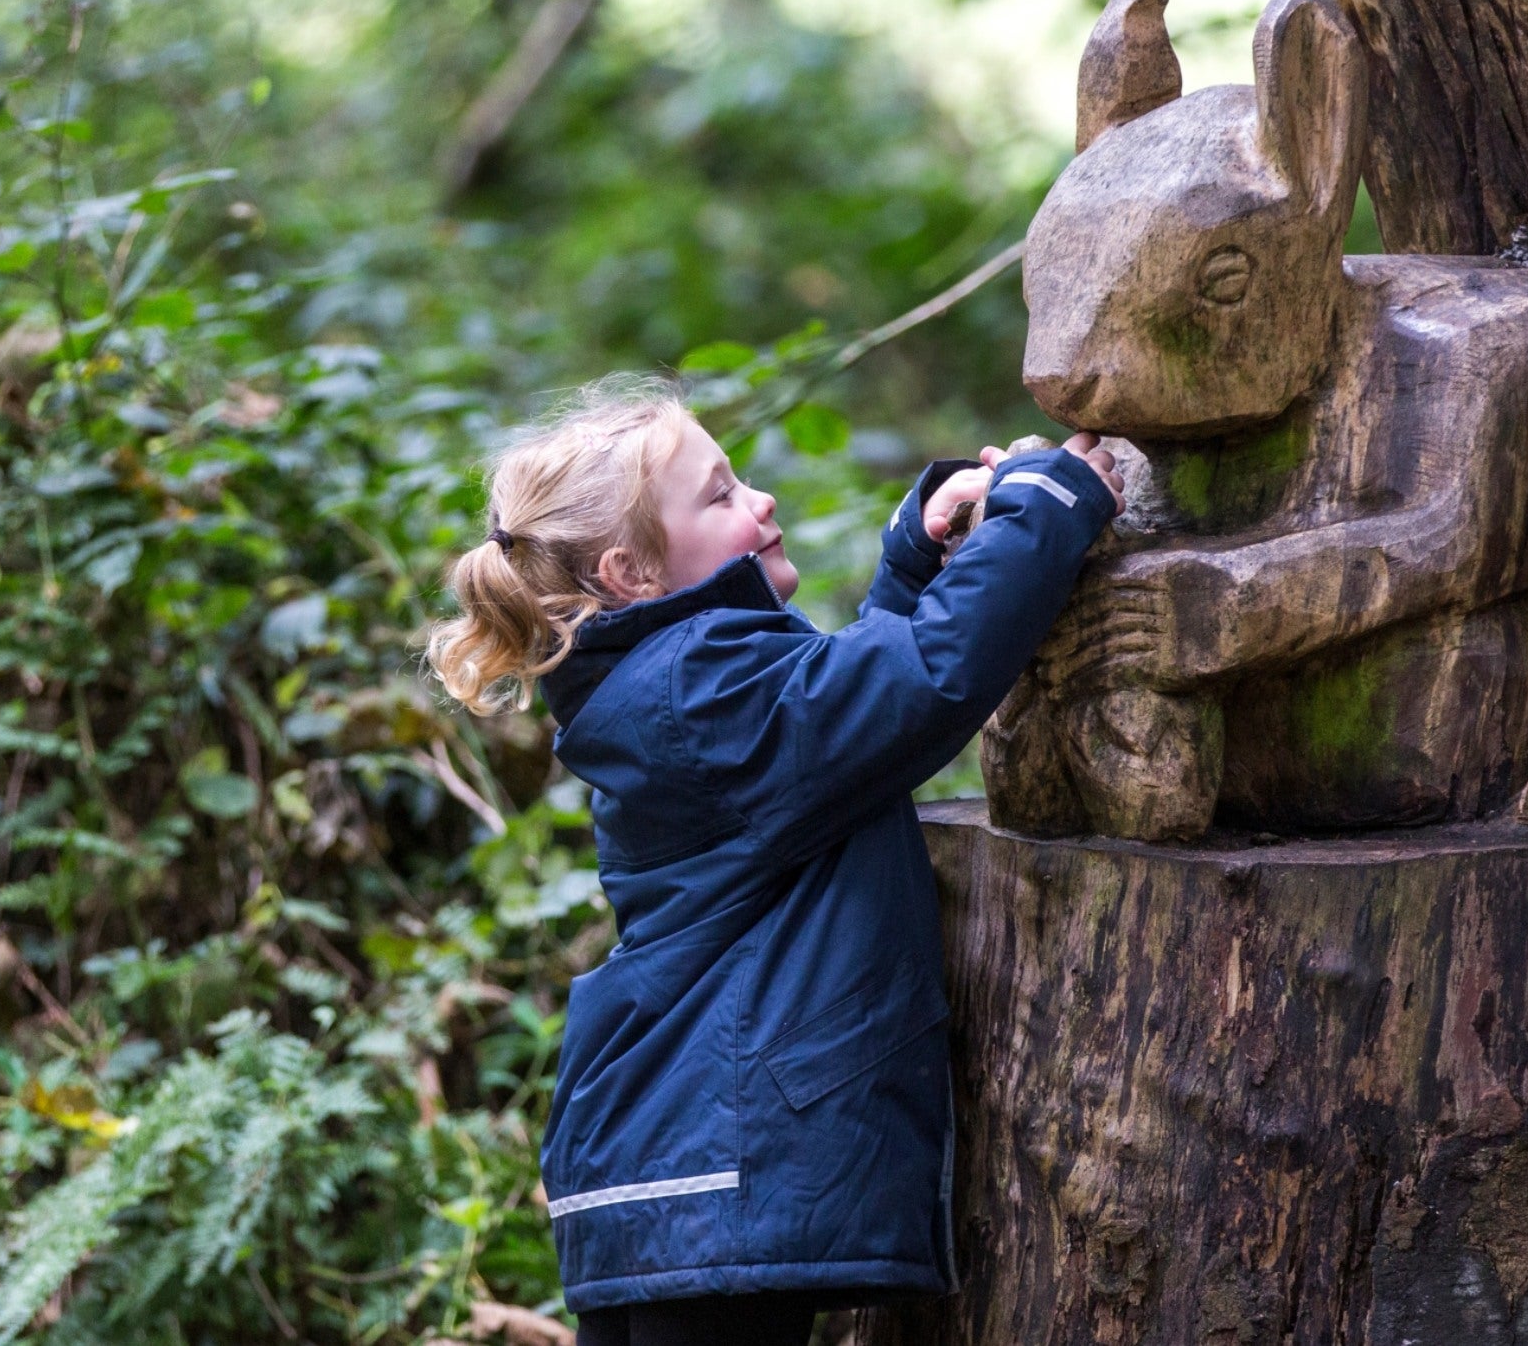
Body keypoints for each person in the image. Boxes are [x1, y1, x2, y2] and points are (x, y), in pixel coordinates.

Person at [425, 376, 1123, 1346]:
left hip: (685, 1166)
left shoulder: (684, 683)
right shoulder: (693, 698)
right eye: (718, 495)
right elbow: (916, 686)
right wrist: (1044, 509)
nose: (760, 502)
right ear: (628, 573)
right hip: (710, 1166)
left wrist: (921, 554)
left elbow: (839, 723)